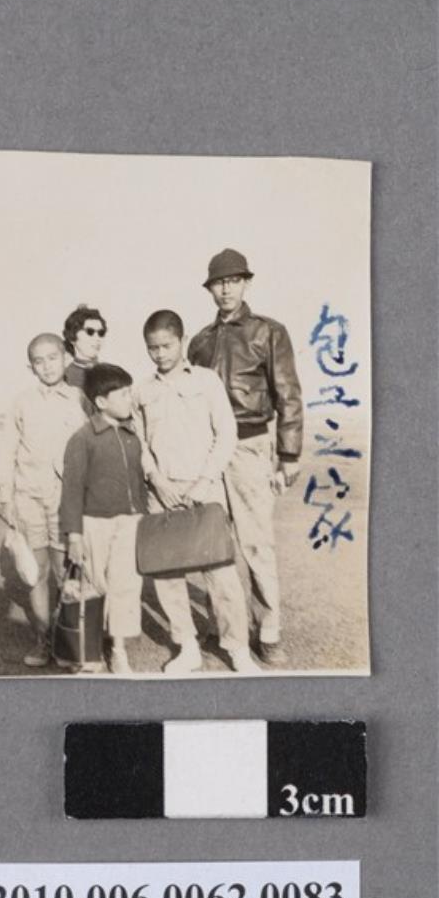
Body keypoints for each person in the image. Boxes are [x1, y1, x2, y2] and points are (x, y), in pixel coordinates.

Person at [188, 248, 303, 665]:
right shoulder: (199, 342)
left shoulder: (268, 332)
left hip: (250, 446)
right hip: (208, 452)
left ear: (246, 284)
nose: (226, 289)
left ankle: (268, 630)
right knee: (214, 544)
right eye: (219, 282)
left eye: (233, 281)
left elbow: (288, 393)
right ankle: (225, 627)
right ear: (209, 289)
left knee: (256, 543)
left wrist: (288, 453)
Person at [134, 309, 259, 676]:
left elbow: (226, 433)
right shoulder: (142, 390)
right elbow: (139, 443)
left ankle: (237, 649)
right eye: (152, 348)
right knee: (167, 575)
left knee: (220, 573)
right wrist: (156, 479)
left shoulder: (206, 381)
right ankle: (187, 647)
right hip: (162, 494)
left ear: (183, 341)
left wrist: (204, 481)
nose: (160, 354)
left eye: (167, 346)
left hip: (205, 490)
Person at [0, 333, 88, 668]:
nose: (47, 366)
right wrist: (6, 498)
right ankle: (43, 640)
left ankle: (70, 642)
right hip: (29, 498)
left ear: (66, 358)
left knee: (68, 573)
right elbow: (7, 452)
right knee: (35, 573)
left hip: (66, 500)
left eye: (53, 358)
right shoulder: (21, 402)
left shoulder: (80, 399)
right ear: (31, 367)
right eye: (39, 361)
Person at [59, 363, 147, 674]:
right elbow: (71, 490)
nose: (129, 399)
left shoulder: (132, 436)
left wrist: (141, 515)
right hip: (94, 524)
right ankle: (87, 650)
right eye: (122, 394)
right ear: (101, 402)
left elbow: (138, 482)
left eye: (129, 392)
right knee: (93, 585)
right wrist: (74, 535)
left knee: (126, 585)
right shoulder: (83, 439)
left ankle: (119, 650)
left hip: (129, 523)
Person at [62, 305, 107, 390]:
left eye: (101, 333)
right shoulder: (64, 376)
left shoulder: (109, 373)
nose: (97, 338)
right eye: (90, 332)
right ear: (72, 336)